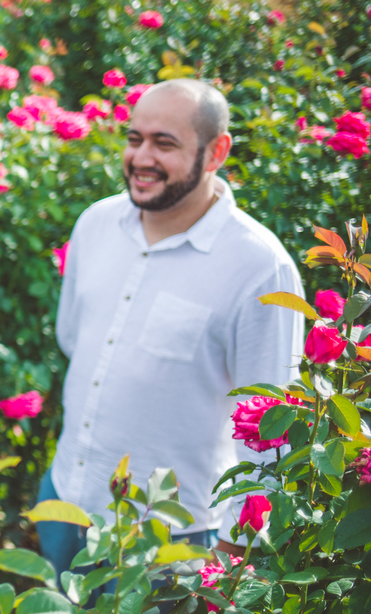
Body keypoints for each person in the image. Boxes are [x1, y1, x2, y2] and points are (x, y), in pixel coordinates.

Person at [37, 78, 304, 578]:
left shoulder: (259, 268)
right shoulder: (96, 224)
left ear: (216, 152)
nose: (141, 157)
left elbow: (271, 433)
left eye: (165, 143)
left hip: (167, 541)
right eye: (135, 138)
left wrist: (234, 552)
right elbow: (73, 338)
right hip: (64, 499)